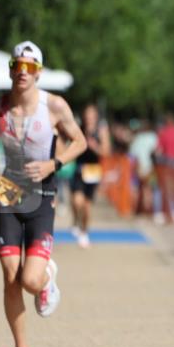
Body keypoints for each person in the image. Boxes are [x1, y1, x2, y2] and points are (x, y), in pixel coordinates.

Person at [0, 41, 86, 347]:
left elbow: (81, 141)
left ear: (38, 73)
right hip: (8, 192)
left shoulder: (55, 106)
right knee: (9, 275)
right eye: (17, 65)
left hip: (43, 194)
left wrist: (54, 163)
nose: (22, 72)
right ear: (11, 69)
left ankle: (47, 277)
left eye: (30, 67)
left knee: (29, 280)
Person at [70, 104, 111, 248]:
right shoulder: (78, 128)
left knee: (87, 206)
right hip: (79, 168)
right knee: (76, 201)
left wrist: (94, 147)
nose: (89, 118)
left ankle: (84, 231)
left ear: (96, 116)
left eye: (91, 115)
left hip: (93, 169)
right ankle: (75, 220)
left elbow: (106, 151)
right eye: (87, 115)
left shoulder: (101, 130)